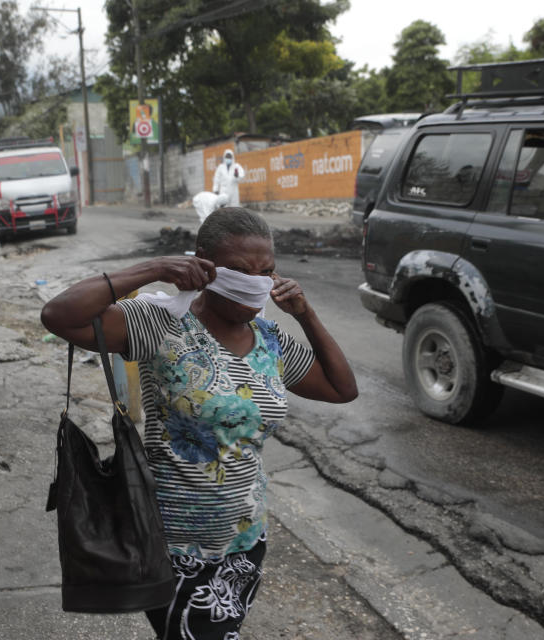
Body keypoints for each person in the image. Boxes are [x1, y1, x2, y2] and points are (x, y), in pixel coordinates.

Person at [41, 207, 358, 640]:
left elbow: (342, 389)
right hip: (174, 547)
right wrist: (154, 268)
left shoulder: (270, 341)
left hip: (245, 541)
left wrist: (305, 314)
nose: (256, 282)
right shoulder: (163, 325)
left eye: (266, 271)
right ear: (202, 263)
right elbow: (59, 315)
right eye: (241, 271)